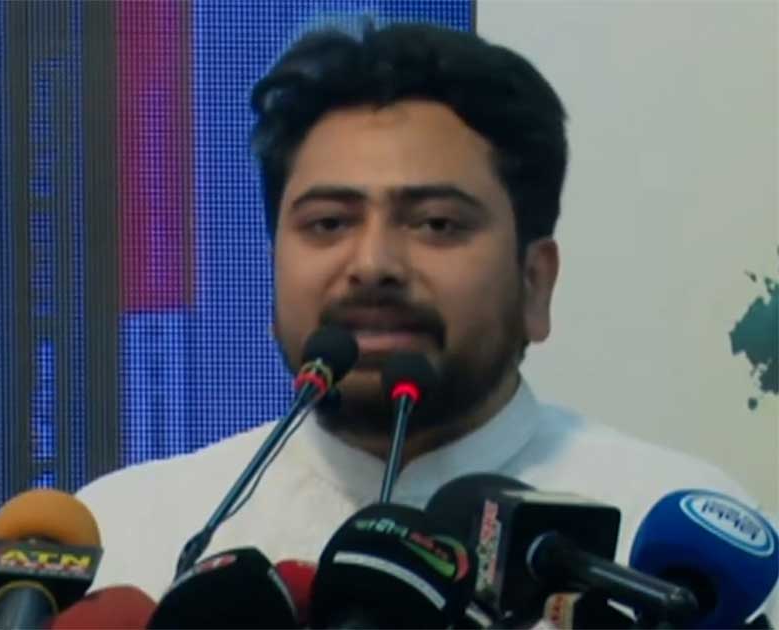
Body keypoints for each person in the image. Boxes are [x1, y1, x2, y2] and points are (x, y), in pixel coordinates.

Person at [76, 18, 776, 617]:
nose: (373, 264)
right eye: (328, 222)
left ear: (535, 283)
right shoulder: (130, 537)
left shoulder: (670, 554)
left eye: (437, 223)